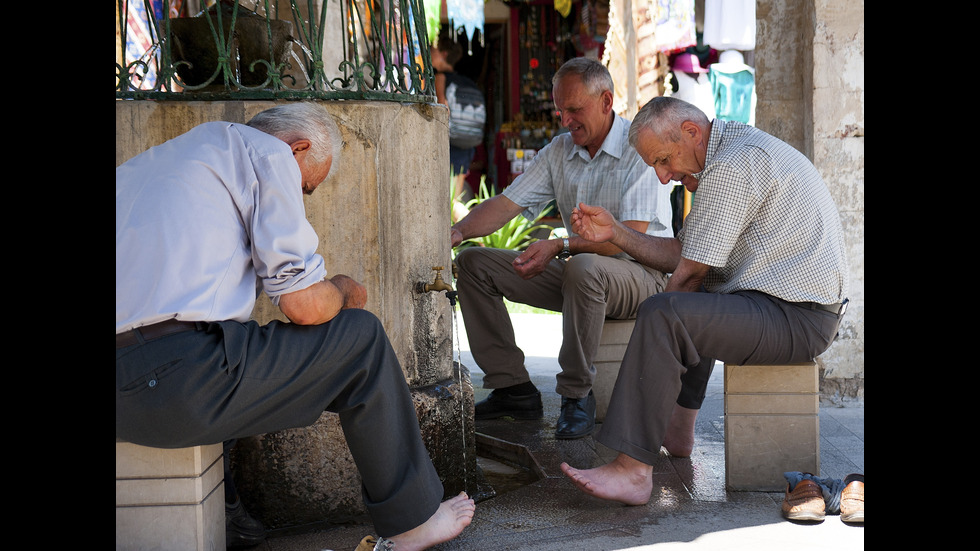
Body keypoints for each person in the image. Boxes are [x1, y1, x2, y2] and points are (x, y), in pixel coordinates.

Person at [116, 102, 475, 551]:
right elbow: (304, 306)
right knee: (359, 339)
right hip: (175, 384)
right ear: (298, 147)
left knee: (234, 336)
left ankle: (229, 511)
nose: (302, 197)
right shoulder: (268, 155)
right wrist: (342, 291)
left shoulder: (155, 163)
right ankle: (412, 521)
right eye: (307, 187)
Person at [559, 96, 849, 506]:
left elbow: (689, 274)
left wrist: (652, 351)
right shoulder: (732, 152)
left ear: (692, 132)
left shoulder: (732, 165)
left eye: (663, 159)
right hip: (793, 310)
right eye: (655, 167)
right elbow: (690, 253)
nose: (662, 177)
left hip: (798, 317)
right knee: (696, 300)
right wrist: (617, 234)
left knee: (666, 311)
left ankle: (632, 470)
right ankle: (678, 431)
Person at [450, 57, 675, 441]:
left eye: (574, 109)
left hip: (642, 274)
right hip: (581, 274)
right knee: (473, 263)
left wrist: (561, 244)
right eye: (559, 110)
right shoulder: (559, 151)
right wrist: (454, 233)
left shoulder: (639, 148)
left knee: (584, 266)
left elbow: (628, 237)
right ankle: (511, 388)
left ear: (606, 102)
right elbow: (506, 204)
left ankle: (577, 395)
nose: (565, 120)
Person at [431, 36, 485, 223]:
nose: (430, 52)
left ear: (444, 54)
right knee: (455, 199)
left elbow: (440, 109)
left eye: (434, 50)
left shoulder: (440, 77)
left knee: (449, 202)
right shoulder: (468, 82)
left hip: (449, 143)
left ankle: (479, 237)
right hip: (466, 143)